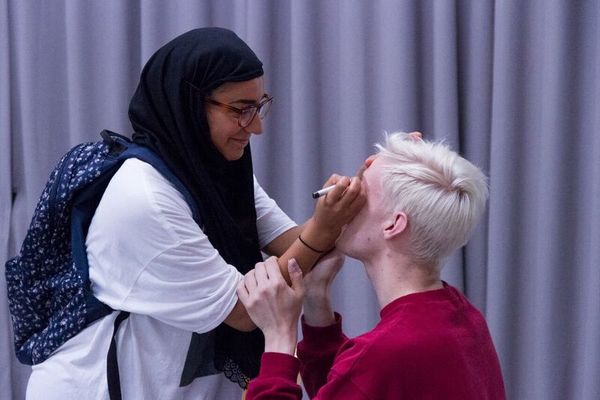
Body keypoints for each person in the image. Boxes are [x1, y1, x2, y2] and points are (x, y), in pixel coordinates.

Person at [25, 28, 365, 400]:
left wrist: (357, 198)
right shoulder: (145, 200)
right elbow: (244, 309)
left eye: (259, 105)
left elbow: (294, 245)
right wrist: (323, 227)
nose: (256, 126)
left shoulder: (211, 168)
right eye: (240, 110)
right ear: (188, 105)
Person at [239, 131, 507, 399]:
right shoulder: (464, 318)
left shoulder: (388, 352)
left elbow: (367, 374)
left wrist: (278, 338)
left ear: (394, 224)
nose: (342, 203)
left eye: (360, 192)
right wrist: (316, 298)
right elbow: (353, 388)